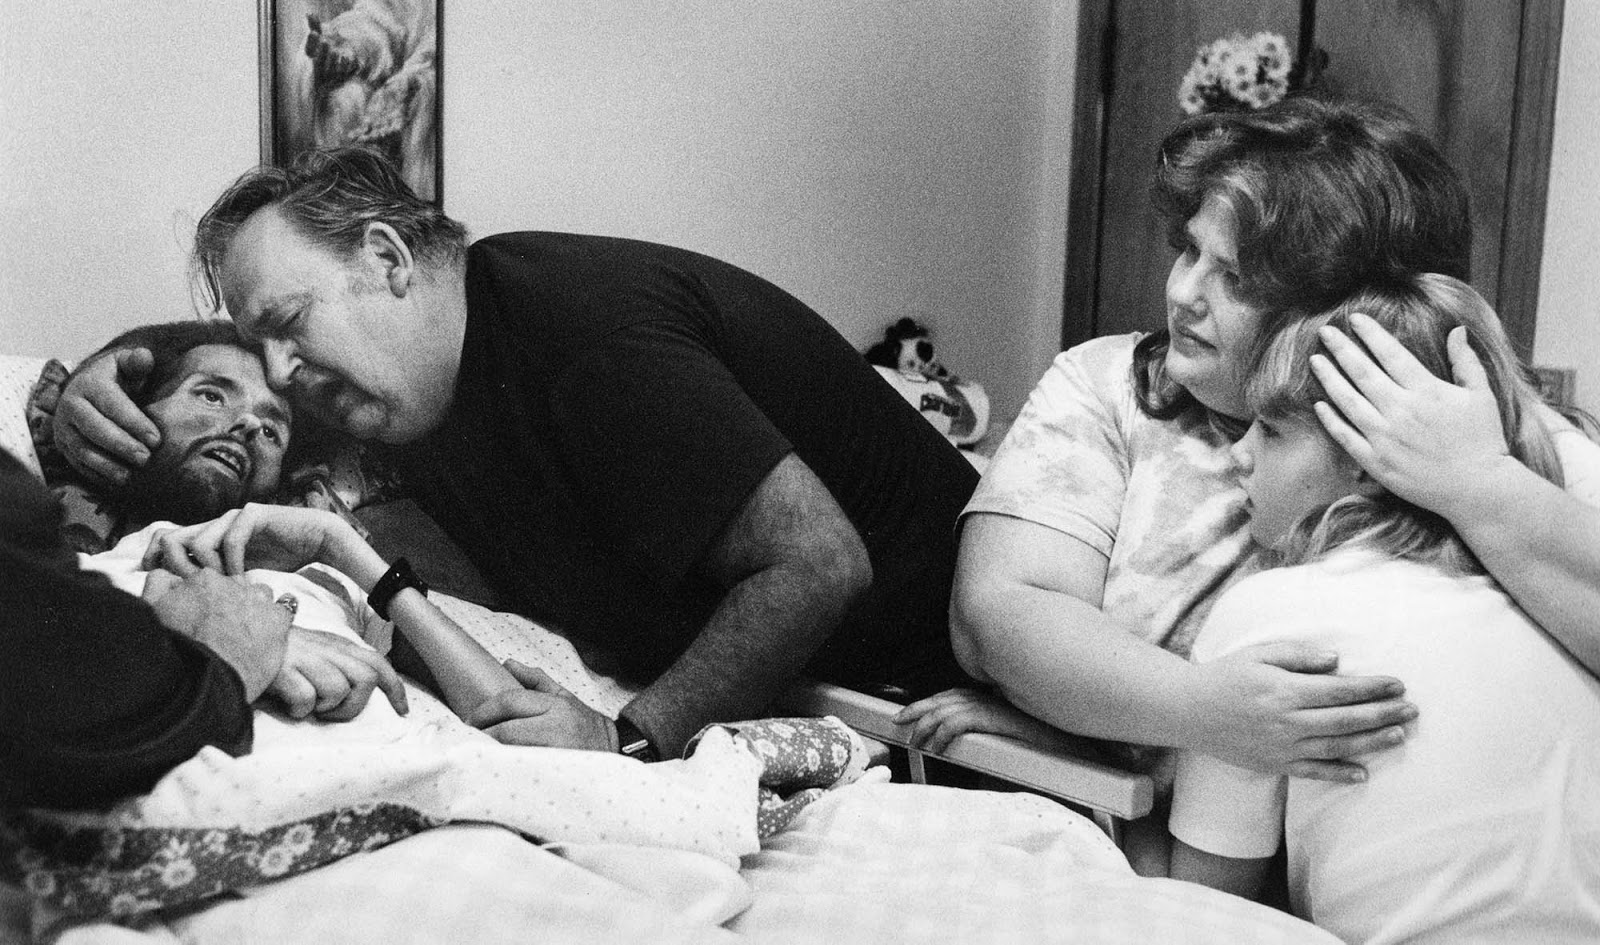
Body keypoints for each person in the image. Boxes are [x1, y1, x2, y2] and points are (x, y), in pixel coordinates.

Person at [52, 146, 981, 759]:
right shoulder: (394, 383)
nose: (281, 375)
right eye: (264, 352)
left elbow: (818, 562)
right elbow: (210, 392)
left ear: (386, 260)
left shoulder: (577, 332)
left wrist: (632, 738)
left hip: (947, 677)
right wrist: (88, 379)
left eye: (288, 326)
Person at [898, 95, 1600, 838]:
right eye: (1188, 249)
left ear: (1354, 308)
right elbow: (997, 616)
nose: (1181, 292)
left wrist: (1478, 482)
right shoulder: (1105, 385)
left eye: (1234, 276)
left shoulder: (1490, 428)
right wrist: (1207, 712)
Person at [1167, 274, 1600, 943]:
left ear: (1373, 457)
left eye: (1273, 430)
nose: (1239, 452)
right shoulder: (1554, 605)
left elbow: (1202, 907)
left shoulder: (1270, 610)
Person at [0, 446, 290, 809]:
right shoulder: (49, 539)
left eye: (270, 432)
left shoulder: (313, 565)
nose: (248, 423)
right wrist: (220, 667)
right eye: (211, 395)